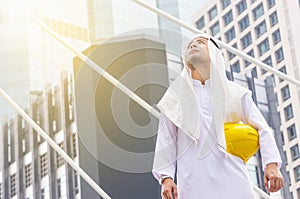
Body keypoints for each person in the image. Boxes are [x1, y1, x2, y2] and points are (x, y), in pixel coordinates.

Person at [152, 34, 284, 199]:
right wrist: (166, 178)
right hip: (193, 189)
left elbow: (263, 128)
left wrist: (271, 164)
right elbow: (166, 141)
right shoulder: (173, 98)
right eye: (190, 45)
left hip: (236, 186)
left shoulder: (237, 93)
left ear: (215, 54)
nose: (193, 45)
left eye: (200, 43)